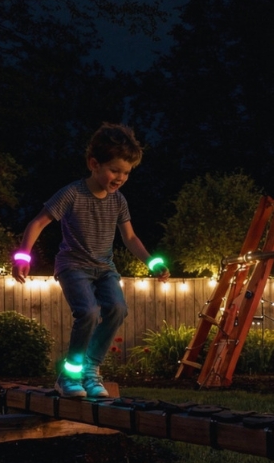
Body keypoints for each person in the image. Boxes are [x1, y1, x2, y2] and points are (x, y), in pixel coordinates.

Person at [12, 123, 168, 398]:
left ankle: (90, 370)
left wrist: (152, 263)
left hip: (104, 268)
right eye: (114, 170)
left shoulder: (118, 201)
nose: (120, 177)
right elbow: (38, 222)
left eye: (126, 172)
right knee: (88, 312)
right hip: (73, 266)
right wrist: (24, 255)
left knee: (118, 309)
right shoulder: (72, 193)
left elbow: (130, 238)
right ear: (93, 164)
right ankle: (68, 376)